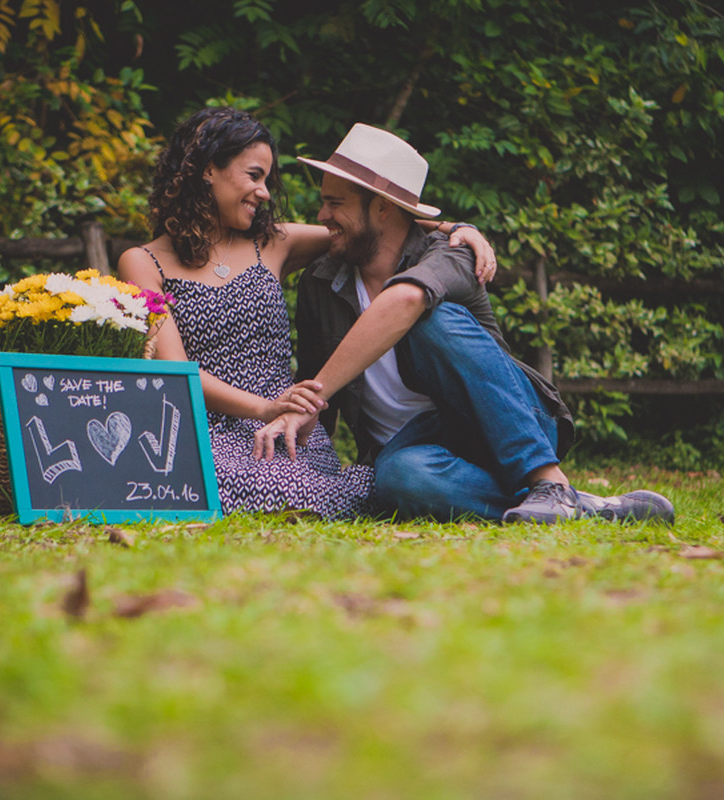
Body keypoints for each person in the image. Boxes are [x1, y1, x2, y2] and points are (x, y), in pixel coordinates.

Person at [253, 123, 674, 525]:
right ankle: (574, 504)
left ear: (382, 207)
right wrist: (304, 459)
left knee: (427, 319)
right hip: (411, 455)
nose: (322, 214)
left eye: (336, 203)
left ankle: (548, 480)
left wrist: (313, 397)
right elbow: (313, 389)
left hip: (504, 426)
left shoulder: (453, 253)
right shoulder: (322, 283)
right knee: (398, 477)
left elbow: (404, 300)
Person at [117, 108, 497, 519]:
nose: (264, 192)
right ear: (209, 170)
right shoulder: (142, 262)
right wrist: (264, 408)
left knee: (357, 485)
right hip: (208, 427)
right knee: (239, 487)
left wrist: (460, 229)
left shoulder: (273, 243)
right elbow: (176, 370)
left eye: (267, 180)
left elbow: (374, 224)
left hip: (289, 426)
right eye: (254, 175)